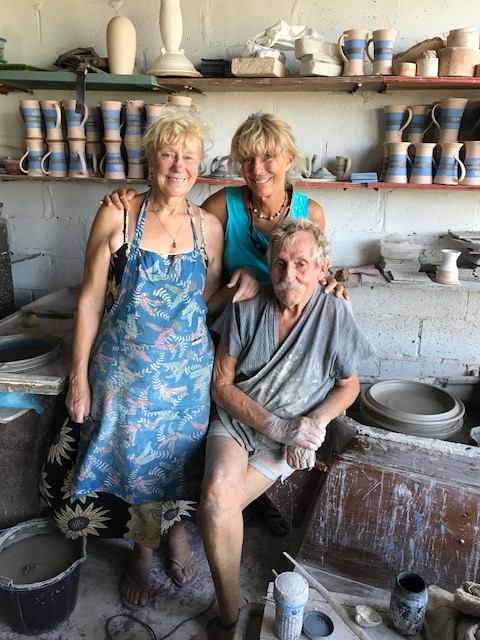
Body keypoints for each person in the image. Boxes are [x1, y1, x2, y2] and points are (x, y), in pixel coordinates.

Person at [103, 111, 346, 535]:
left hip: (282, 338)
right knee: (211, 419)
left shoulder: (311, 211)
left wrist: (336, 282)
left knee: (284, 409)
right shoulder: (222, 205)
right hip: (228, 329)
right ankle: (195, 513)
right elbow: (174, 220)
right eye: (247, 159)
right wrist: (127, 198)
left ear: (288, 159)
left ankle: (253, 498)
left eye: (268, 158)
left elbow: (315, 270)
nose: (257, 169)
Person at [41, 109, 226, 610]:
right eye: (168, 154)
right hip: (125, 376)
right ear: (150, 159)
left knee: (178, 464)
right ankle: (143, 551)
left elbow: (205, 301)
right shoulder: (117, 215)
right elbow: (89, 301)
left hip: (187, 380)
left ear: (199, 164)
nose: (179, 165)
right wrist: (78, 377)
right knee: (136, 469)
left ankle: (175, 534)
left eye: (189, 156)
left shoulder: (210, 227)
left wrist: (244, 286)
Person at [196, 218, 375, 639]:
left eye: (301, 264)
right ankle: (229, 615)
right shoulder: (247, 305)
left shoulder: (334, 311)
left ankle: (183, 536)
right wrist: (278, 426)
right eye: (279, 264)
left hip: (293, 437)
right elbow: (221, 386)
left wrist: (314, 424)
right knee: (216, 503)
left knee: (216, 512)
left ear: (322, 267)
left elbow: (349, 386)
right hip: (241, 422)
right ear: (268, 264)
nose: (288, 275)